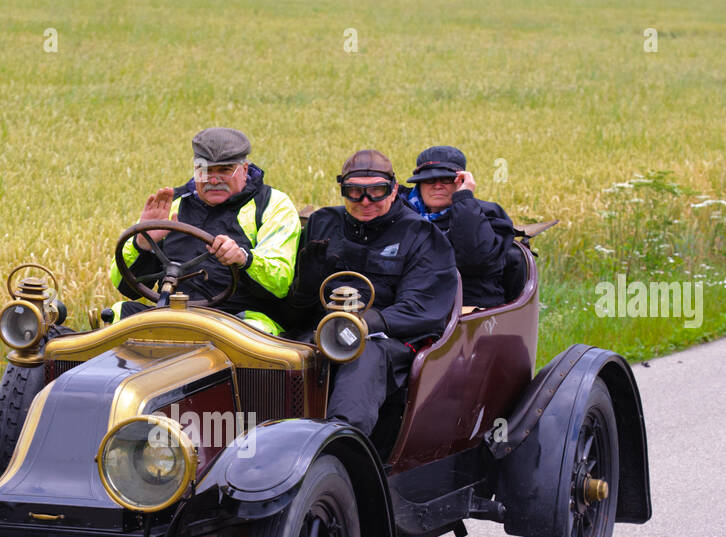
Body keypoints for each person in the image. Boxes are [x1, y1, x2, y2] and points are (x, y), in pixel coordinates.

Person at [284, 149, 458, 438]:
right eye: (354, 192)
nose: (365, 202)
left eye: (376, 191)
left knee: (361, 355)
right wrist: (307, 284)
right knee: (276, 353)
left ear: (393, 190)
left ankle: (340, 445)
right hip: (320, 331)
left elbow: (422, 309)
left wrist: (364, 324)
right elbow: (293, 307)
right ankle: (261, 438)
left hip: (392, 341)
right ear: (343, 191)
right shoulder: (323, 222)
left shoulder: (421, 234)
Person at [108, 127, 301, 333]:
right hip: (173, 312)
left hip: (241, 318)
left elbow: (280, 284)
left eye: (224, 170)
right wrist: (143, 245)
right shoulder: (172, 204)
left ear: (244, 169)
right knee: (117, 315)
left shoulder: (272, 204)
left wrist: (244, 260)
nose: (214, 180)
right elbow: (125, 285)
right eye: (205, 170)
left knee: (252, 333)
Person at [399, 145, 515, 308]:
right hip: (411, 304)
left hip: (469, 306)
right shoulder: (401, 213)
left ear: (461, 182)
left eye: (447, 179)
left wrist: (464, 201)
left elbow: (475, 260)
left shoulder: (488, 214)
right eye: (430, 179)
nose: (438, 185)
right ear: (419, 184)